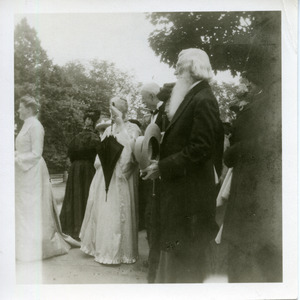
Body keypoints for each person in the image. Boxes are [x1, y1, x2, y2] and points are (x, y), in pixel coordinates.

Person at [142, 48, 224, 283]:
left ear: (192, 67)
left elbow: (200, 148)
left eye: (179, 65)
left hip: (191, 197)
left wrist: (163, 167)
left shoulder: (204, 98)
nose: (176, 70)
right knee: (181, 258)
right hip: (183, 193)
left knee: (188, 261)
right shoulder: (193, 96)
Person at [15, 95, 77, 261]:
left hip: (33, 171)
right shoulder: (25, 125)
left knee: (32, 206)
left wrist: (16, 158)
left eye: (20, 107)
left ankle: (37, 247)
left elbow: (36, 153)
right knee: (23, 207)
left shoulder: (35, 126)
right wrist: (15, 155)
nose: (18, 110)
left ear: (28, 109)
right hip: (24, 171)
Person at [80, 97, 141, 264]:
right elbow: (100, 154)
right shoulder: (108, 129)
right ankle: (102, 249)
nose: (112, 114)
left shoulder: (132, 128)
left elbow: (131, 153)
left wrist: (121, 126)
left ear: (122, 110)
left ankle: (119, 252)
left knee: (116, 210)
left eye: (115, 111)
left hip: (120, 176)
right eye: (111, 111)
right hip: (105, 174)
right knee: (103, 209)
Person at [59, 110, 101, 240]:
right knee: (85, 195)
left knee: (78, 196)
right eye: (87, 120)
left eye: (89, 120)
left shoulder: (76, 138)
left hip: (77, 169)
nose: (88, 122)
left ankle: (74, 229)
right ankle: (83, 229)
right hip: (87, 169)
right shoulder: (95, 138)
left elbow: (70, 155)